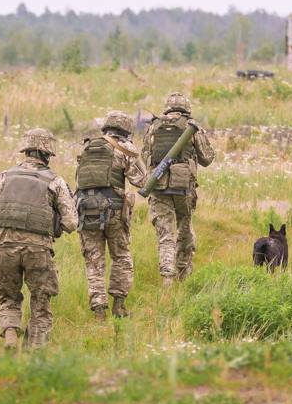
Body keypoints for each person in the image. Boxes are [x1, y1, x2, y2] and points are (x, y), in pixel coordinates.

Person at [0, 128, 78, 349]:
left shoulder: (2, 177)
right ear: (48, 154)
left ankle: (11, 332)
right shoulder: (56, 181)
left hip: (5, 246)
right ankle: (36, 350)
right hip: (38, 249)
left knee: (9, 296)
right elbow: (71, 223)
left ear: (26, 150)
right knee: (41, 301)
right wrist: (53, 224)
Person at [74, 110, 145, 319]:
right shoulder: (125, 148)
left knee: (94, 262)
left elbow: (79, 180)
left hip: (86, 210)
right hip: (114, 211)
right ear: (125, 130)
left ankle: (98, 311)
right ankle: (119, 305)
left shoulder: (88, 147)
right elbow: (140, 180)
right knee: (121, 257)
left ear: (106, 127)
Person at [141, 92, 215, 285]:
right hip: (183, 187)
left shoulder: (153, 127)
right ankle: (185, 276)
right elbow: (207, 158)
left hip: (157, 185)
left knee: (166, 235)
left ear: (167, 107)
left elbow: (144, 155)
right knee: (184, 229)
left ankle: (167, 279)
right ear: (186, 108)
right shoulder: (192, 127)